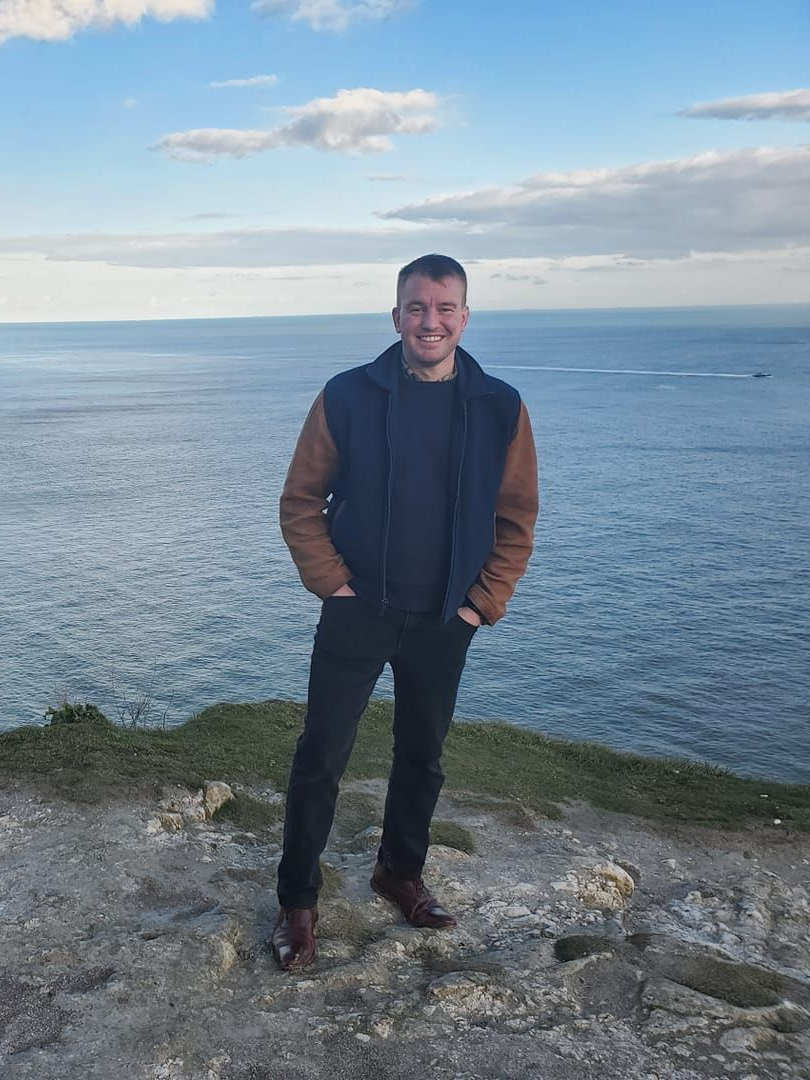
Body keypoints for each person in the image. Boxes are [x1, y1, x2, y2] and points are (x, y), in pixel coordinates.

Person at [273, 254, 538, 970]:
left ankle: (399, 872)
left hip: (444, 619)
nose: (431, 321)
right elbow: (301, 502)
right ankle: (297, 901)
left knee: (422, 758)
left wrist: (482, 604)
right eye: (417, 308)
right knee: (321, 758)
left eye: (445, 308)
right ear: (396, 317)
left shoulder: (501, 407)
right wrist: (332, 583)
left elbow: (517, 519)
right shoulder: (348, 395)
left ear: (464, 318)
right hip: (358, 610)